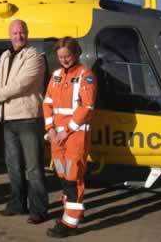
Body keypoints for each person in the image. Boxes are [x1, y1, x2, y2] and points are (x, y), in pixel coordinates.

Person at [0, 19, 48, 224]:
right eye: (15, 33)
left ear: (27, 33)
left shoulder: (35, 56)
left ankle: (39, 209)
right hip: (8, 118)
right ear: (10, 35)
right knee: (13, 166)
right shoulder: (6, 56)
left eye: (22, 32)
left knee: (34, 168)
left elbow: (20, 85)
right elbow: (2, 83)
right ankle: (18, 204)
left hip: (28, 118)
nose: (19, 36)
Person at [43, 37, 97, 238]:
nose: (64, 59)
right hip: (57, 136)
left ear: (76, 54)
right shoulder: (56, 75)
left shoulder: (86, 75)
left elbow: (87, 107)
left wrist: (67, 130)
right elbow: (47, 103)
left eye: (67, 55)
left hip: (75, 135)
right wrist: (50, 129)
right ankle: (72, 212)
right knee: (63, 176)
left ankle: (70, 223)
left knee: (73, 178)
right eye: (60, 56)